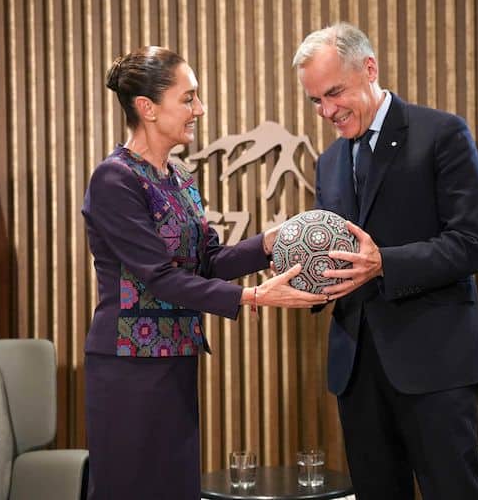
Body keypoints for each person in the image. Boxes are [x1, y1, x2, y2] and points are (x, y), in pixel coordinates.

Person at [82, 46, 325, 499]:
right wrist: (251, 298)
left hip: (175, 361)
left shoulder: (178, 177)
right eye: (189, 98)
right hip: (126, 368)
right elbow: (159, 276)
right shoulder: (114, 179)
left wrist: (271, 241)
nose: (200, 109)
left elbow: (208, 261)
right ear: (147, 108)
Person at [293, 23, 478, 499]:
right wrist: (308, 280)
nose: (327, 111)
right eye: (316, 101)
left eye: (334, 93)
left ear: (370, 69)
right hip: (357, 370)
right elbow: (339, 253)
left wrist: (384, 263)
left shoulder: (442, 133)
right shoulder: (329, 162)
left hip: (435, 365)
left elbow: (474, 242)